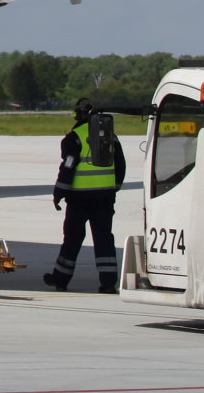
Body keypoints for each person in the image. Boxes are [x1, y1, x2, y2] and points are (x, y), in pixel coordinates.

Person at [45, 97, 126, 293]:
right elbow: (120, 165)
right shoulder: (110, 137)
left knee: (72, 237)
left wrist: (58, 194)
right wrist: (113, 187)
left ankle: (61, 279)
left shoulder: (74, 138)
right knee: (104, 238)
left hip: (80, 199)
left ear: (80, 115)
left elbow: (68, 167)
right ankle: (108, 283)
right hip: (105, 199)